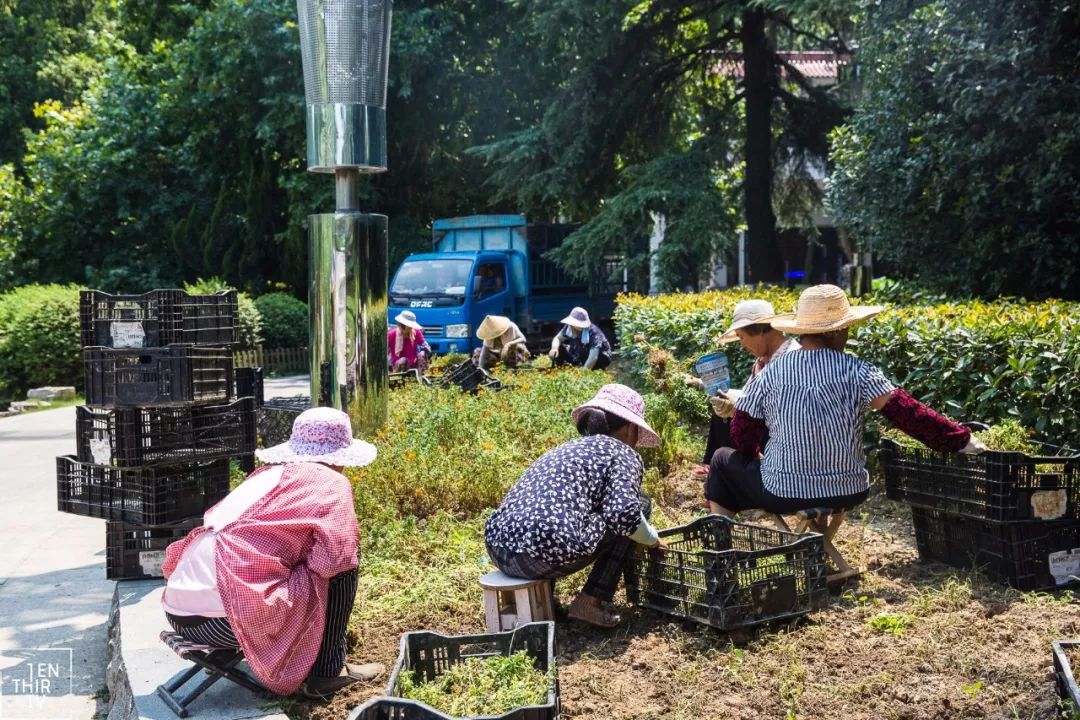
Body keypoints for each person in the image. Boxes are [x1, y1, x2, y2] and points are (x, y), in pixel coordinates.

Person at [705, 284, 988, 517]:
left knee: (721, 460)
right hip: (850, 489)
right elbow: (909, 414)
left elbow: (742, 433)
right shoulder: (858, 370)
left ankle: (721, 551)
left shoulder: (773, 371)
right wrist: (962, 440)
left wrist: (754, 453)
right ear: (835, 331)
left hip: (784, 492)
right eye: (847, 327)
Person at [160, 407, 383, 700]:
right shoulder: (332, 483)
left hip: (179, 614)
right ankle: (329, 670)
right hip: (227, 623)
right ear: (340, 456)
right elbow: (334, 559)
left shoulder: (267, 475)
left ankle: (314, 652)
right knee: (345, 563)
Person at [485, 384, 666, 628]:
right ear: (631, 428)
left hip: (500, 549)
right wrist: (652, 539)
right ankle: (591, 601)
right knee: (639, 505)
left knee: (559, 515)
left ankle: (546, 599)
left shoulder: (567, 449)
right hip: (541, 555)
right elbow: (623, 513)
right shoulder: (622, 453)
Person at [688, 300, 799, 476]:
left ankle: (734, 471)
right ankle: (715, 467)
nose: (742, 345)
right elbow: (748, 395)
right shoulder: (762, 362)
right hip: (766, 426)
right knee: (722, 411)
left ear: (760, 331)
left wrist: (738, 407)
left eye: (742, 337)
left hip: (783, 440)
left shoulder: (790, 360)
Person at [387, 310, 432, 375]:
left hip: (413, 365)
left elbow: (426, 346)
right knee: (403, 360)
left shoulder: (416, 332)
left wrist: (423, 351)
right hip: (398, 366)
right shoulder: (391, 334)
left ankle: (420, 379)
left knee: (421, 355)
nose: (409, 328)